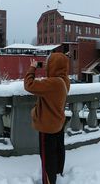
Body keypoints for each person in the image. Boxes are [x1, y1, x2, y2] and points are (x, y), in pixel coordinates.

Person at [23, 52, 71, 184]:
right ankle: (59, 174)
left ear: (54, 66)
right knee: (58, 151)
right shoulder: (65, 80)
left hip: (47, 126)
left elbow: (29, 85)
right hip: (58, 123)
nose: (46, 65)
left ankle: (49, 181)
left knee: (47, 158)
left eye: (49, 63)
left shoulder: (53, 83)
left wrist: (32, 68)